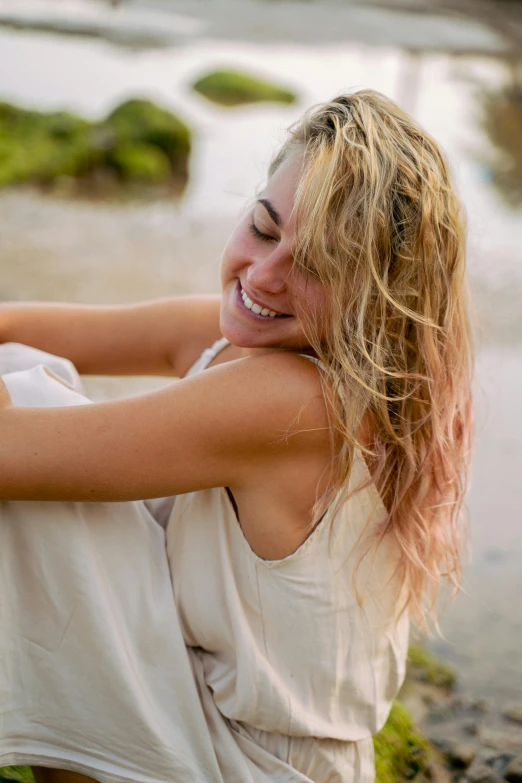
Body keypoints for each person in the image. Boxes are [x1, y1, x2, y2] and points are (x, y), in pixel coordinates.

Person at [0, 89, 473, 783]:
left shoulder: (298, 403)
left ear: (374, 297)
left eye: (317, 266)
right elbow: (14, 322)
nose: (265, 274)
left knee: (26, 405)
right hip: (214, 715)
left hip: (253, 763)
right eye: (263, 225)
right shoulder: (248, 340)